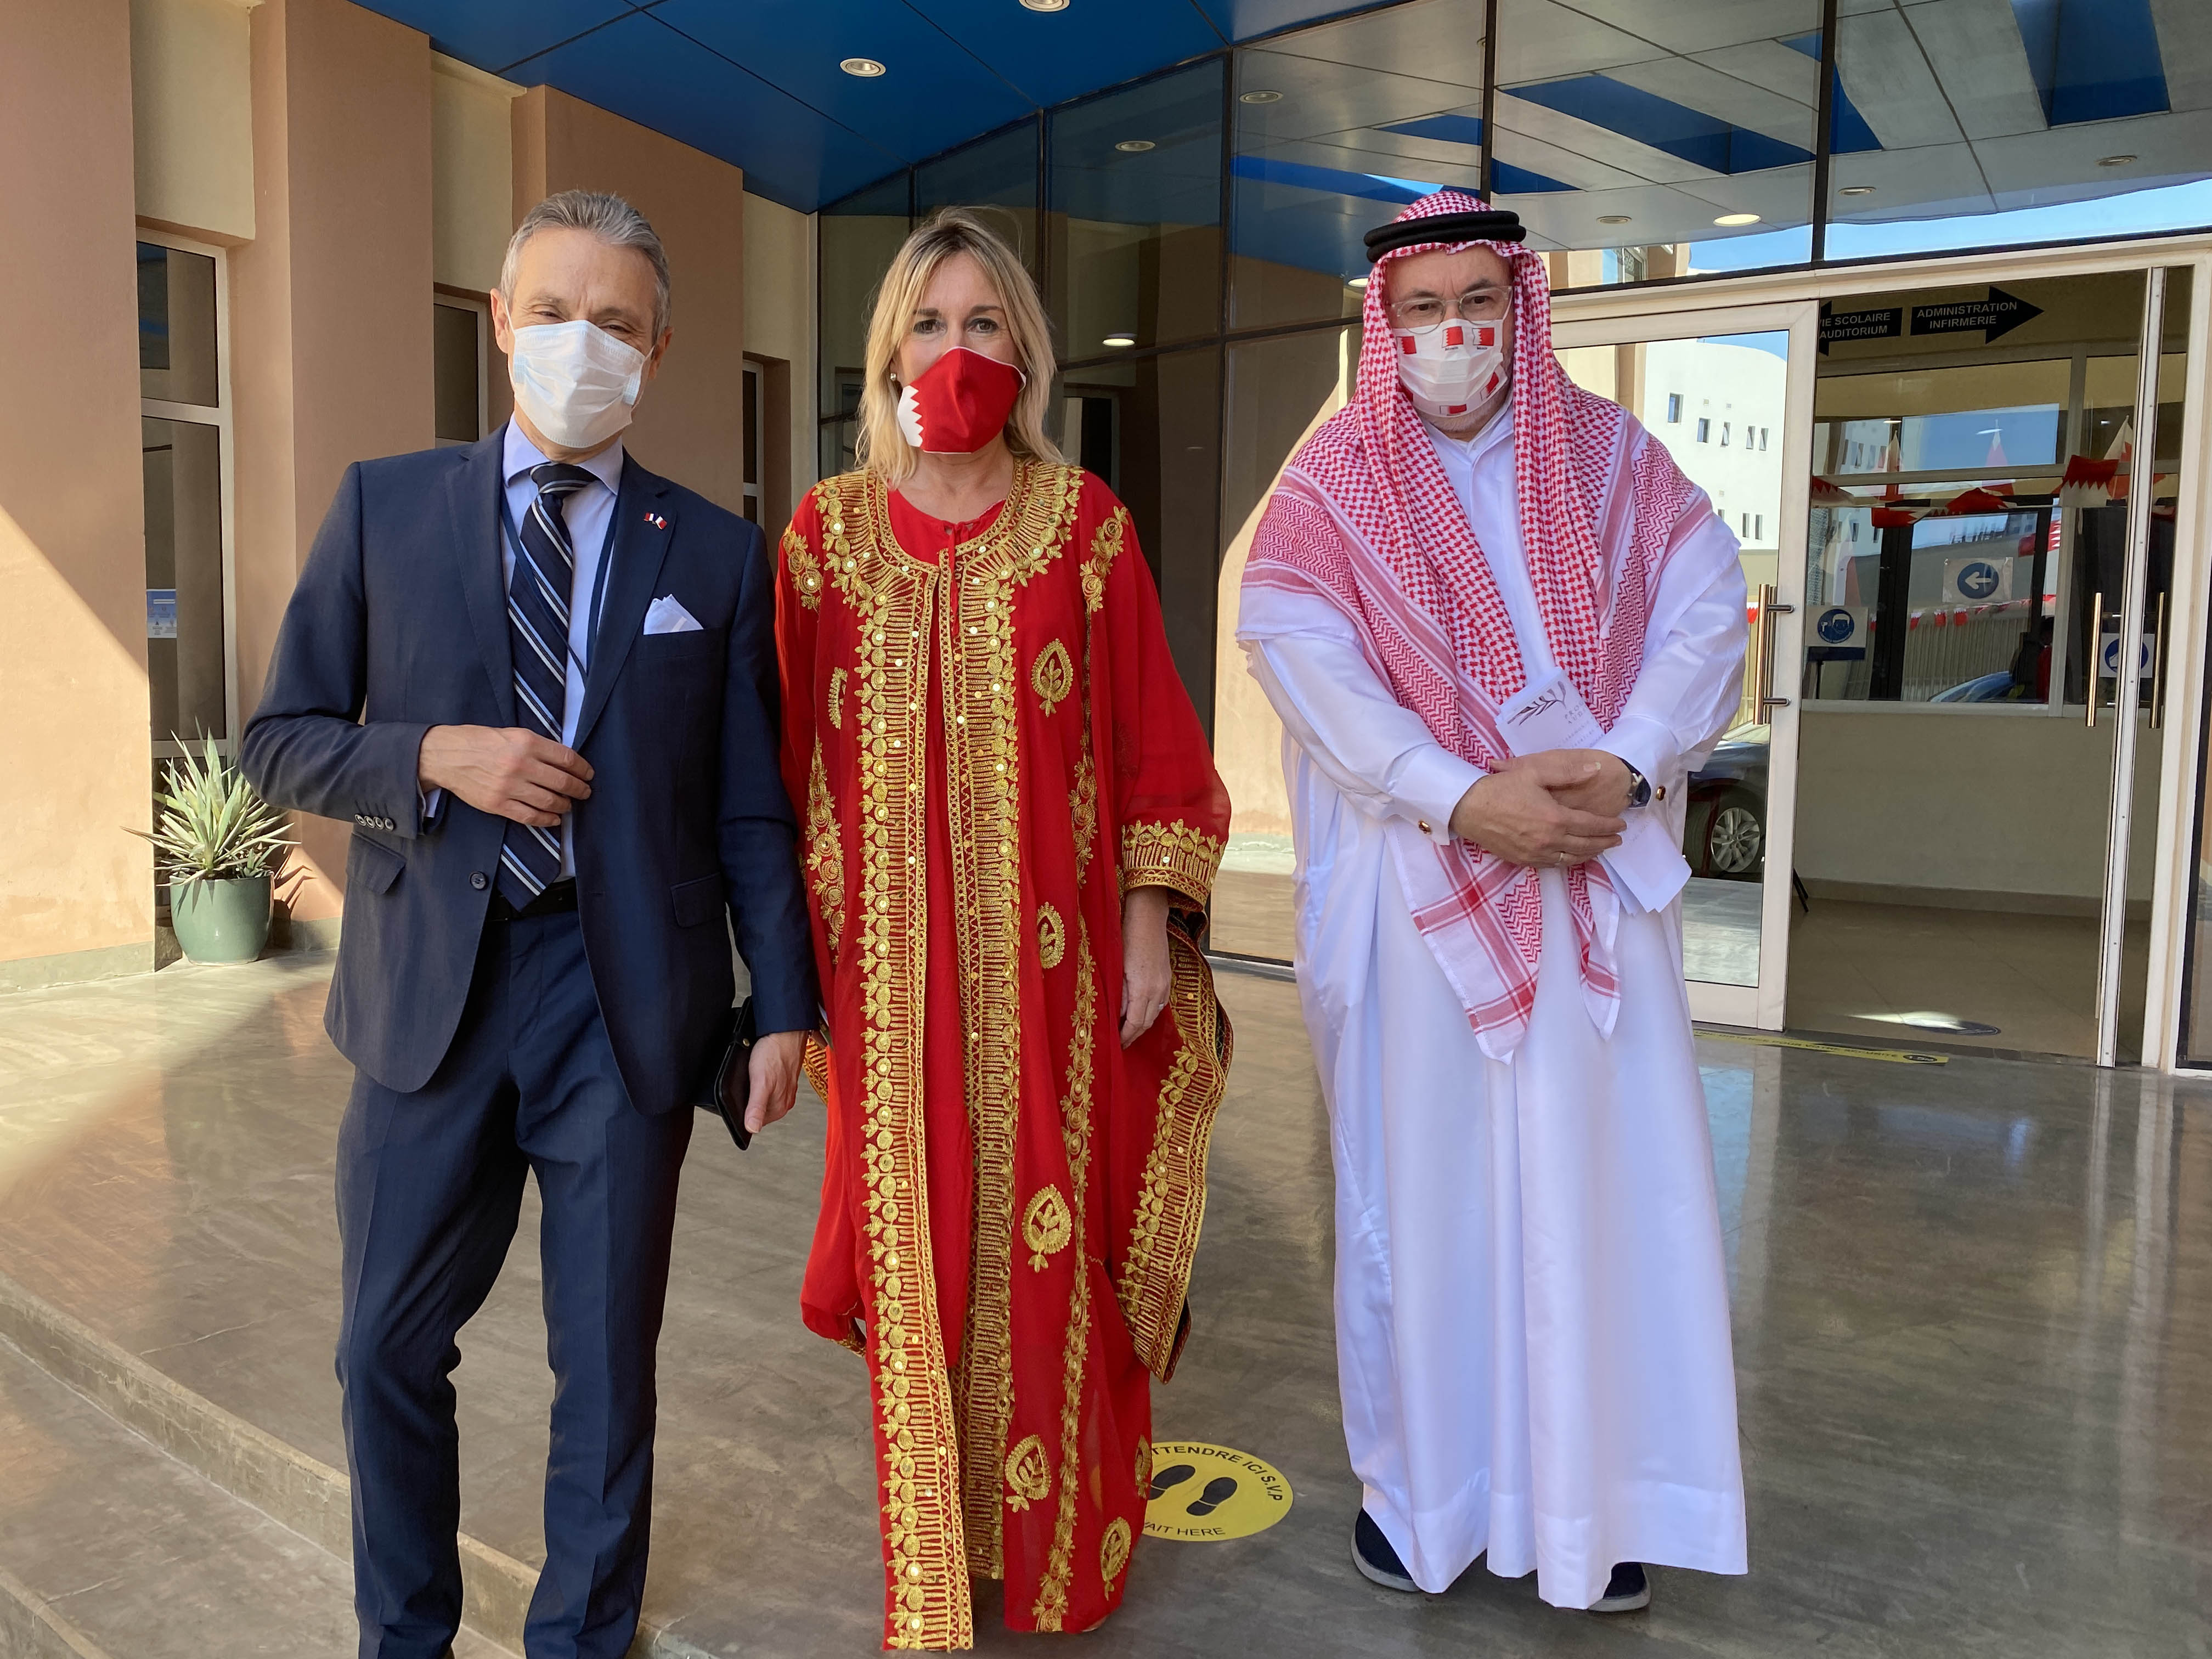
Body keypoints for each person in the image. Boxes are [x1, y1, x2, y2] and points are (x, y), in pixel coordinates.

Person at [240, 190, 815, 1659]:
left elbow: (752, 808)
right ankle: (406, 1637)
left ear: (659, 349)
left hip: (623, 1006)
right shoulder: (384, 506)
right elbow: (280, 742)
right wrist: (434, 755)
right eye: (554, 312)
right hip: (429, 996)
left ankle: (582, 1639)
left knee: (607, 1372)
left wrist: (784, 1007)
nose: (582, 343)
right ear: (501, 324)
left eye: (616, 323)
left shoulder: (716, 555)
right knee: (382, 1347)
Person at [1239, 190, 1750, 1616]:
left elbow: (1710, 605)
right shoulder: (1333, 486)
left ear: (1518, 307)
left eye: (1478, 301)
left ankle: (1601, 1508)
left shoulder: (1610, 458)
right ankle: (1427, 1500)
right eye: (1423, 308)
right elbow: (1299, 651)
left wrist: (1629, 761)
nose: (1453, 333)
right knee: (1429, 1204)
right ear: (1384, 320)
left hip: (1593, 871)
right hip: (1417, 902)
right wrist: (1463, 797)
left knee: (1605, 1195)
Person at [776, 209, 1232, 1649]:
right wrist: (788, 985)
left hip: (1058, 982)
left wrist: (1149, 929)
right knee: (918, 1251)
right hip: (888, 993)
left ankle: (1053, 1557)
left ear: (1024, 355)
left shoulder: (1083, 528)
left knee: (1052, 1252)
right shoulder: (825, 538)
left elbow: (1152, 740)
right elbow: (782, 767)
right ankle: (937, 1560)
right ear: (888, 351)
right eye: (929, 323)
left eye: (983, 325)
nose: (955, 350)